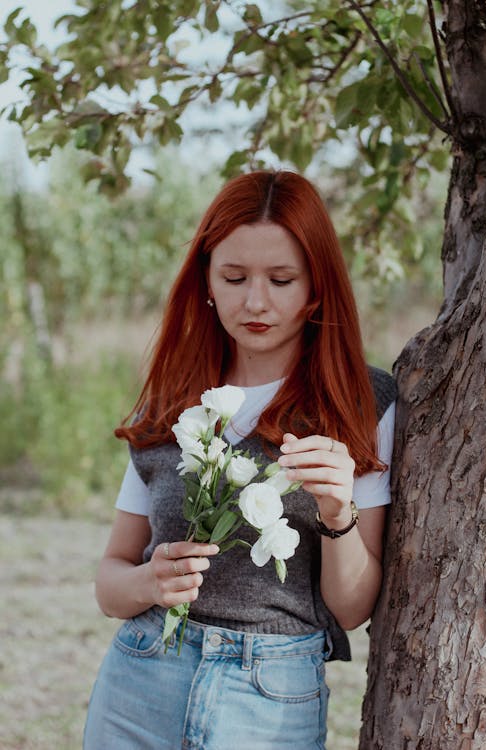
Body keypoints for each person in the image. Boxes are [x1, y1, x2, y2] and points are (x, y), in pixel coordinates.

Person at [83, 170, 396, 750]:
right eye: (233, 277)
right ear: (206, 280)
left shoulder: (362, 405)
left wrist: (337, 511)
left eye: (281, 280)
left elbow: (350, 610)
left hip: (269, 696)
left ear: (316, 287)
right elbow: (110, 583)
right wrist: (152, 581)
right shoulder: (172, 403)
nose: (255, 302)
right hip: (141, 677)